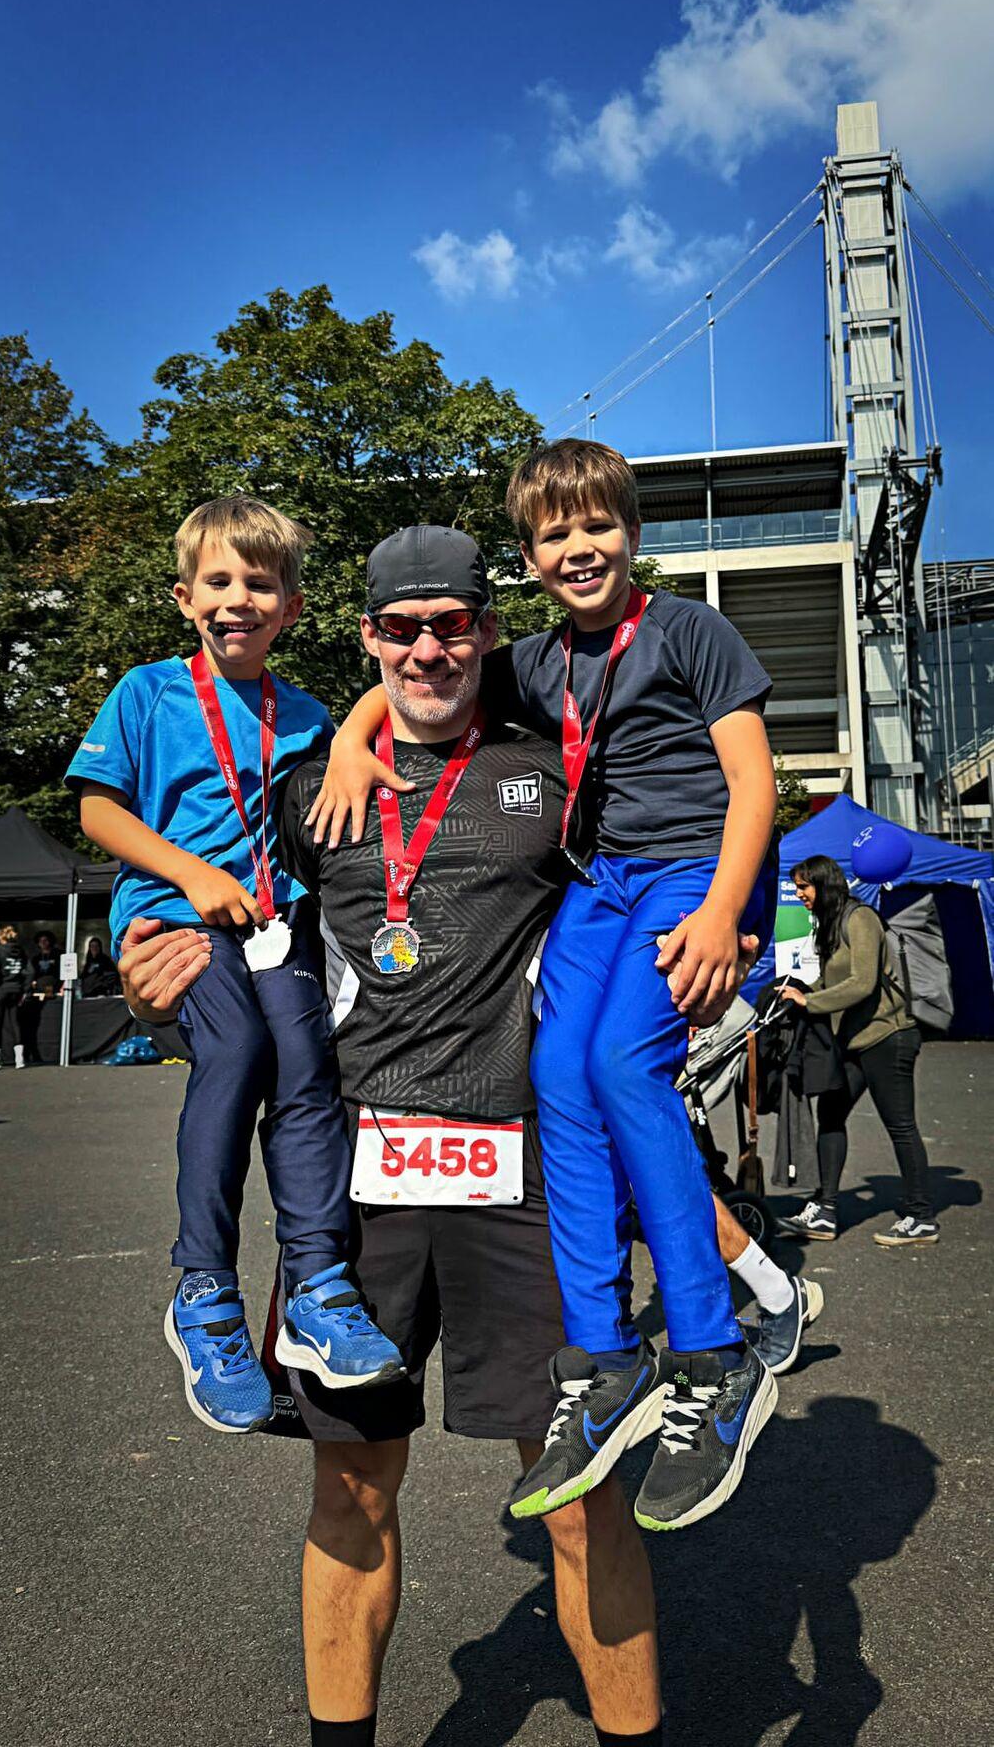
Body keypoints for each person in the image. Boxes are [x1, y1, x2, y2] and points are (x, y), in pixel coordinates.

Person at [119, 523, 670, 1747]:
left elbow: (652, 882)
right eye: (400, 628)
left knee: (580, 1493)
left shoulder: (552, 770)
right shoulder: (303, 786)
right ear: (366, 636)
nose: (428, 649)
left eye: (452, 625)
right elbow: (227, 939)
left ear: (487, 629)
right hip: (356, 1189)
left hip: (528, 1176)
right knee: (352, 1487)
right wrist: (155, 989)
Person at [315, 440, 785, 1532]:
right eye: (553, 534)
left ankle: (713, 1354)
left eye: (596, 525)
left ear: (632, 530)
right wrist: (347, 739)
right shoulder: (530, 662)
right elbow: (412, 680)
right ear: (527, 559)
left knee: (620, 1064)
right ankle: (602, 1358)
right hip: (601, 880)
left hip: (693, 872)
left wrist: (725, 912)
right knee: (556, 1072)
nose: (578, 548)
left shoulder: (690, 631)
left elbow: (755, 782)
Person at [65, 495, 403, 1434]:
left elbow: (355, 760)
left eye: (259, 583)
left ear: (290, 606)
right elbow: (96, 811)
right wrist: (193, 874)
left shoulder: (307, 714)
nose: (237, 599)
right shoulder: (146, 693)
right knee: (239, 1050)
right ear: (185, 597)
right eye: (217, 581)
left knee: (306, 1064)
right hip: (177, 920)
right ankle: (204, 1288)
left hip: (273, 923)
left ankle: (317, 1285)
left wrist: (348, 739)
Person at [778, 853, 939, 1247]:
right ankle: (826, 1211)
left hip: (888, 1037)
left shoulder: (860, 918)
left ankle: (921, 1217)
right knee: (831, 1114)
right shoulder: (831, 925)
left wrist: (810, 1002)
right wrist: (798, 991)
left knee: (900, 1125)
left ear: (824, 884)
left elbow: (862, 983)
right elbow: (832, 981)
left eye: (804, 887)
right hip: (854, 1041)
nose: (800, 894)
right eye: (797, 888)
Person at [0, 924, 29, 1069]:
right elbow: (30, 971)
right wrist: (25, 989)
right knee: (15, 1022)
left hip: (2, 990)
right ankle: (19, 1059)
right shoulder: (21, 951)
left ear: (1, 937)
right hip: (17, 990)